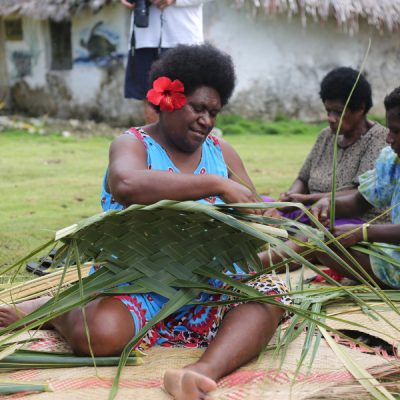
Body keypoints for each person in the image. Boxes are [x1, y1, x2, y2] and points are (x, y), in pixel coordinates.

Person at [0, 44, 291, 400]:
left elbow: (252, 209)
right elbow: (127, 184)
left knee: (267, 300)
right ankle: (56, 309)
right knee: (100, 338)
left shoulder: (221, 153)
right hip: (140, 278)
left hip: (209, 281)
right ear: (167, 98)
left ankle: (200, 372)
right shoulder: (132, 143)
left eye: (214, 112)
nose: (207, 121)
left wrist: (272, 218)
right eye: (198, 108)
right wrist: (215, 184)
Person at [308, 86, 400, 289]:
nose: (389, 138)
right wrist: (329, 204)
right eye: (389, 129)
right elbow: (359, 203)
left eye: (396, 131)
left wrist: (363, 233)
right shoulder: (393, 161)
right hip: (395, 251)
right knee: (323, 246)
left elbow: (365, 231)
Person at [274, 67, 388, 225]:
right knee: (261, 207)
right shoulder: (325, 136)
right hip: (310, 212)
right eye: (328, 111)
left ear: (360, 109)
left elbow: (361, 195)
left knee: (318, 233)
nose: (331, 118)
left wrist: (307, 199)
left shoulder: (380, 140)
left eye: (338, 112)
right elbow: (303, 178)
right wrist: (290, 198)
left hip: (352, 221)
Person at [121, 0, 213, 124]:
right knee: (151, 101)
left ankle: (186, 143)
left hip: (183, 37)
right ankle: (154, 143)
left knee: (189, 100)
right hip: (144, 38)